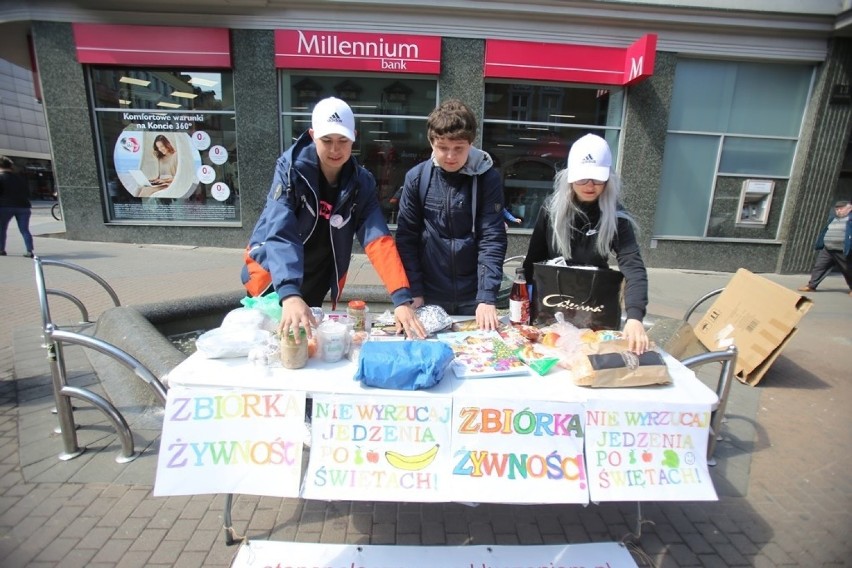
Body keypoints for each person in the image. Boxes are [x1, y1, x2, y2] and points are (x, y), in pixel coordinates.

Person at [242, 97, 426, 340]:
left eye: (343, 141)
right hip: (274, 275)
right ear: (312, 134)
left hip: (318, 273)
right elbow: (280, 230)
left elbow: (377, 239)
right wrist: (288, 293)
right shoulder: (290, 171)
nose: (335, 149)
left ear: (354, 137)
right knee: (269, 347)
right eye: (326, 140)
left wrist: (401, 297)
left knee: (306, 346)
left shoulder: (361, 183)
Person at [522, 134, 650, 354]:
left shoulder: (616, 216)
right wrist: (524, 304)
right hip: (552, 304)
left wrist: (635, 316)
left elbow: (633, 266)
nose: (590, 186)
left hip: (595, 305)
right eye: (582, 178)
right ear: (570, 177)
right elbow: (533, 260)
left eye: (597, 179)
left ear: (608, 178)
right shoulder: (551, 209)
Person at [395, 99, 507, 330]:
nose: (450, 156)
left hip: (474, 295)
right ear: (431, 142)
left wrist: (487, 296)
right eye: (443, 147)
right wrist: (413, 291)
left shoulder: (488, 178)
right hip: (429, 292)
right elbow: (407, 239)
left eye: (459, 148)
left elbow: (492, 238)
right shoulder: (417, 178)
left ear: (471, 143)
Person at [797, 199, 852, 296]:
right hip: (828, 249)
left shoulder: (850, 220)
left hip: (842, 250)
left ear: (849, 208)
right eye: (837, 209)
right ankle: (811, 286)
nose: (838, 211)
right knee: (819, 267)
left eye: (841, 209)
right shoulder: (833, 219)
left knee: (848, 270)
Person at [0, 155, 35, 258]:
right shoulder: (20, 178)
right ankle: (29, 250)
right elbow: (28, 192)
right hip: (24, 206)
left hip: (5, 207)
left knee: (2, 228)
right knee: (24, 229)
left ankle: (1, 249)